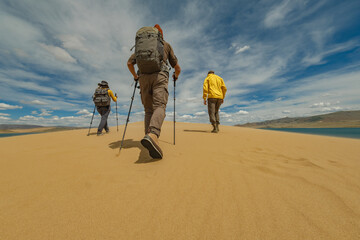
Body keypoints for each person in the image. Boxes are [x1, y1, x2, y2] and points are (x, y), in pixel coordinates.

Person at [127, 24, 181, 159]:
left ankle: (149, 136)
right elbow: (177, 68)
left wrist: (135, 76)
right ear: (161, 35)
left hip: (143, 78)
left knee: (148, 110)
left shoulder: (142, 47)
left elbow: (129, 63)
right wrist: (176, 76)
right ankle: (153, 135)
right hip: (160, 76)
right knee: (160, 106)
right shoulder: (165, 45)